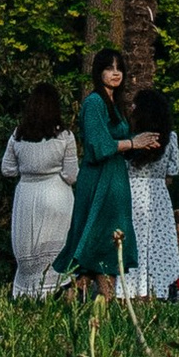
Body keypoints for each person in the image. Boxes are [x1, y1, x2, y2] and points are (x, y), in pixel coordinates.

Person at [54, 48, 152, 294]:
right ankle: (98, 298)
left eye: (119, 68)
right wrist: (132, 143)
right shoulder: (94, 102)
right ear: (99, 72)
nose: (116, 73)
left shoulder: (115, 104)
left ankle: (76, 295)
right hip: (99, 180)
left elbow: (121, 142)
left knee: (109, 239)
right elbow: (98, 146)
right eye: (109, 68)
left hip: (116, 179)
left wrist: (142, 142)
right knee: (98, 237)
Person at [1, 83, 78, 299]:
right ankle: (56, 293)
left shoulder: (18, 135)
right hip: (57, 193)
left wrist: (27, 171)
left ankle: (28, 294)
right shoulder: (64, 136)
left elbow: (7, 169)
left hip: (26, 194)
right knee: (57, 249)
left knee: (29, 247)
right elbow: (72, 174)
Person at [118, 85, 179, 302]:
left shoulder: (129, 139)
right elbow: (171, 173)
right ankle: (159, 289)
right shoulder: (170, 138)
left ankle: (128, 291)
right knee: (159, 245)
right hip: (158, 197)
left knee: (132, 243)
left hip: (131, 195)